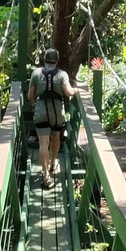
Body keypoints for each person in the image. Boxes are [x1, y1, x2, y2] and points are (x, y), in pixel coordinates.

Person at [27, 48, 76, 188]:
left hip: (41, 110)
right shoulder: (62, 74)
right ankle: (54, 162)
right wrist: (75, 90)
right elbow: (68, 92)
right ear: (57, 60)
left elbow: (30, 95)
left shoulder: (36, 73)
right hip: (57, 112)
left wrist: (33, 105)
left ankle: (46, 175)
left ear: (44, 59)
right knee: (56, 137)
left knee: (43, 142)